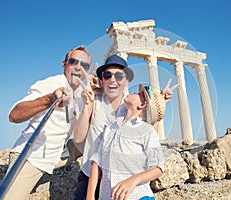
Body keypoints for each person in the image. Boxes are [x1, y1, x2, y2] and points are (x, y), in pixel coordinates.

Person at [72, 54, 177, 199]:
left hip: (124, 181)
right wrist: (87, 105)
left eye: (119, 75)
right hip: (92, 173)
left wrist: (158, 103)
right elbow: (78, 139)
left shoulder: (130, 106)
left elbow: (149, 136)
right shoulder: (92, 98)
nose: (113, 79)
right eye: (107, 75)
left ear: (126, 80)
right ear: (102, 79)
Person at [6, 45, 93, 199]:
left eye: (84, 65)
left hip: (62, 152)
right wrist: (50, 99)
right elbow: (14, 115)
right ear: (64, 64)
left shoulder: (83, 92)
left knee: (97, 138)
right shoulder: (50, 84)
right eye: (74, 62)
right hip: (33, 156)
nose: (79, 68)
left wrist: (98, 96)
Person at [86, 84, 166, 200]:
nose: (134, 92)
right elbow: (97, 162)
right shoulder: (109, 128)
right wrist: (90, 196)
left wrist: (133, 180)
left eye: (139, 94)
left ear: (142, 105)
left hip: (137, 195)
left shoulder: (146, 130)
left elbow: (158, 167)